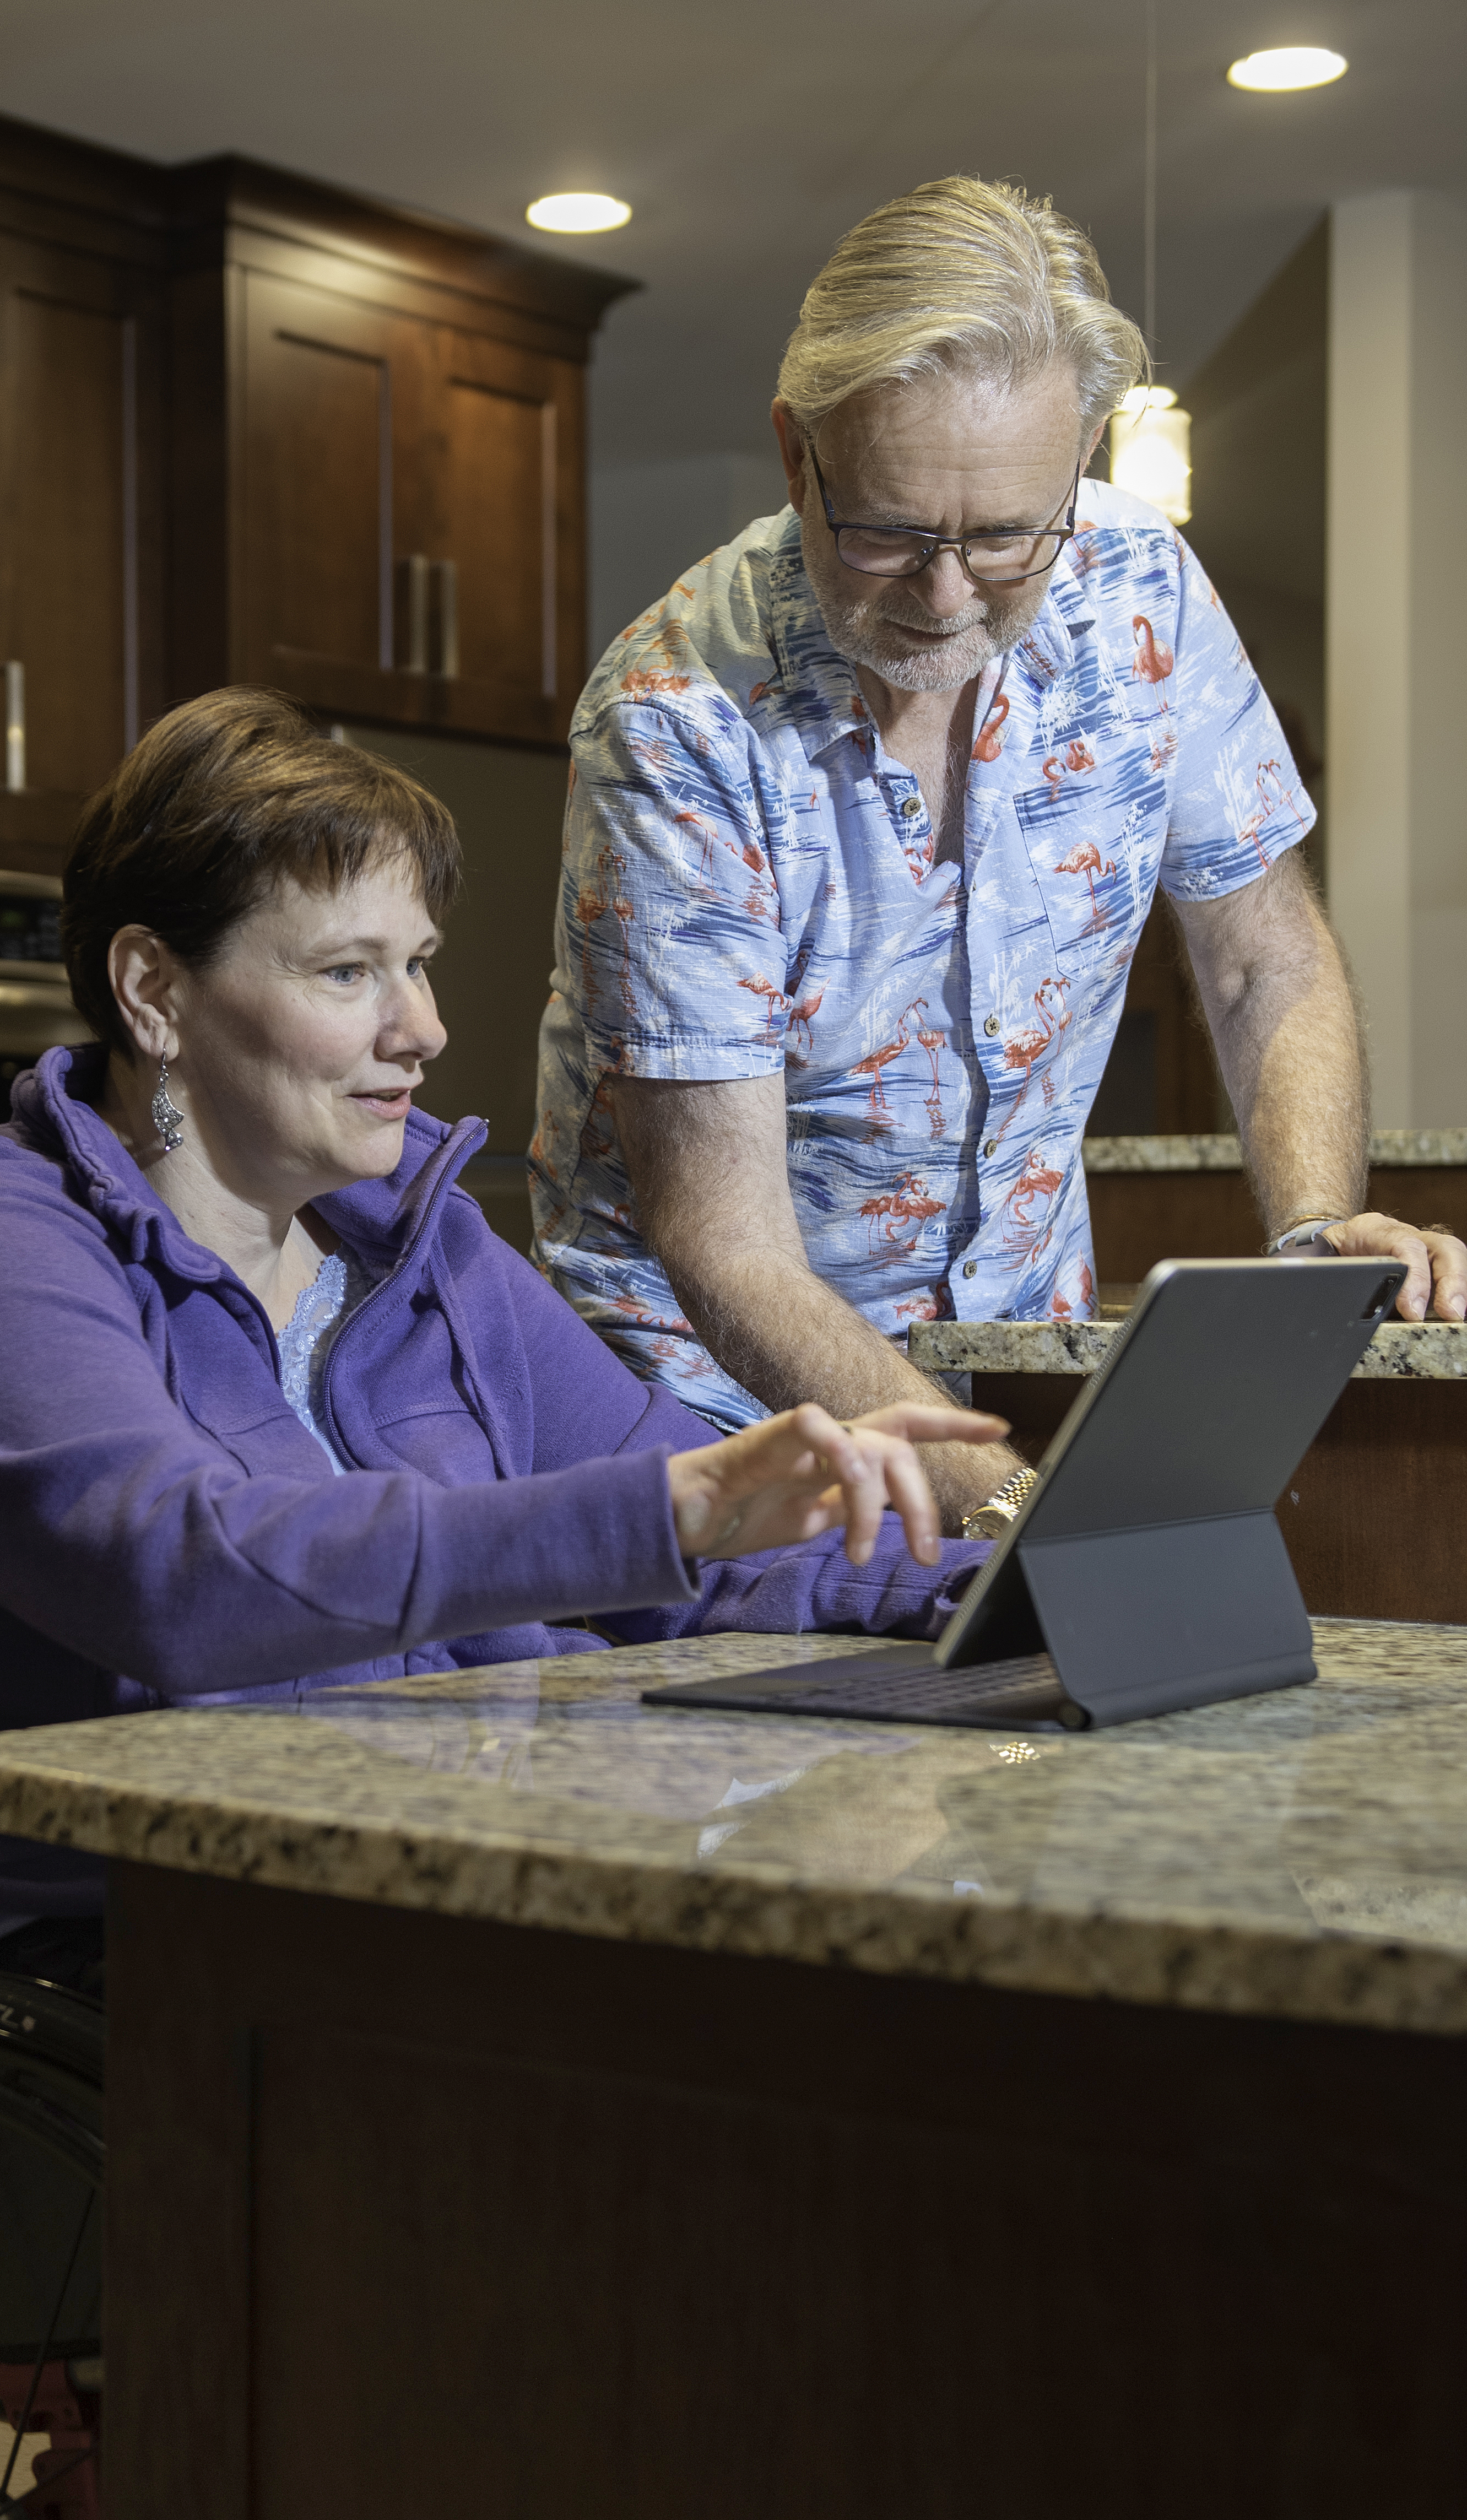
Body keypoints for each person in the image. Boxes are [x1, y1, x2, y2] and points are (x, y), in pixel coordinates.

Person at [0, 689, 1003, 1970]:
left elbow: (725, 1549)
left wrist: (1025, 1593)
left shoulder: (421, 1247)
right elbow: (180, 1578)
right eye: (348, 972)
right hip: (174, 1946)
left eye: (417, 962)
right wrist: (663, 1517)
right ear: (152, 991)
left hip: (494, 1874)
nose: (424, 1028)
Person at [533, 176, 1466, 1543]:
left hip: (1009, 1371)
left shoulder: (1139, 588)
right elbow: (722, 1242)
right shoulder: (676, 723)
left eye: (1003, 536)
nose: (947, 594)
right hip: (706, 1416)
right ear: (797, 456)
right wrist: (1037, 1521)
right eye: (891, 533)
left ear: (1082, 454)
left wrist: (1315, 1232)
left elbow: (1264, 956)